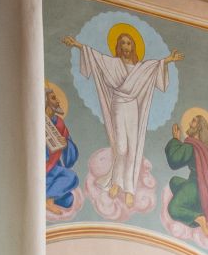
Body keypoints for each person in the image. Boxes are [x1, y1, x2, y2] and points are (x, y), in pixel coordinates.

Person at [64, 23, 178, 207]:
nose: (126, 46)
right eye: (123, 43)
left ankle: (129, 189)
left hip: (132, 106)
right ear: (118, 46)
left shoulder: (140, 68)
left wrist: (168, 60)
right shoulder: (113, 64)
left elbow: (155, 67)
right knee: (122, 148)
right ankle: (116, 182)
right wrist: (77, 45)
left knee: (133, 148)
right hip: (118, 103)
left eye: (129, 43)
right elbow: (96, 57)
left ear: (133, 47)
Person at [163, 108, 208, 236]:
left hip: (195, 186)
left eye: (193, 121)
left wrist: (175, 139)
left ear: (198, 128)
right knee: (174, 181)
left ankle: (198, 218)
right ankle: (191, 205)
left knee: (173, 209)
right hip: (198, 187)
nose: (190, 123)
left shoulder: (191, 146)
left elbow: (174, 161)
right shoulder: (200, 147)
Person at [43, 85, 80, 219]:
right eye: (53, 98)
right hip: (43, 168)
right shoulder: (38, 121)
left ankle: (46, 194)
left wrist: (66, 144)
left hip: (54, 168)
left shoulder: (59, 123)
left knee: (68, 200)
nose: (57, 101)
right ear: (45, 101)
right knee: (71, 177)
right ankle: (48, 200)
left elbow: (70, 158)